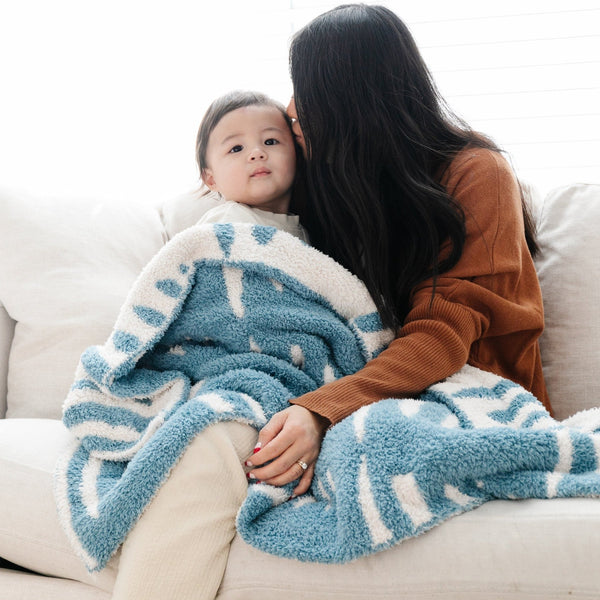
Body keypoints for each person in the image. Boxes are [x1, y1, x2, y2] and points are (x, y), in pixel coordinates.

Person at [111, 4, 550, 598]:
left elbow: (442, 337)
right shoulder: (340, 174)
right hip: (360, 378)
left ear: (352, 94)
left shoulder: (476, 172)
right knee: (220, 425)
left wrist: (322, 409)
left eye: (305, 91)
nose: (294, 110)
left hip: (467, 386)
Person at [195, 90, 309, 243]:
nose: (257, 153)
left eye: (270, 141)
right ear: (211, 180)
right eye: (236, 148)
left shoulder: (303, 230)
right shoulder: (225, 223)